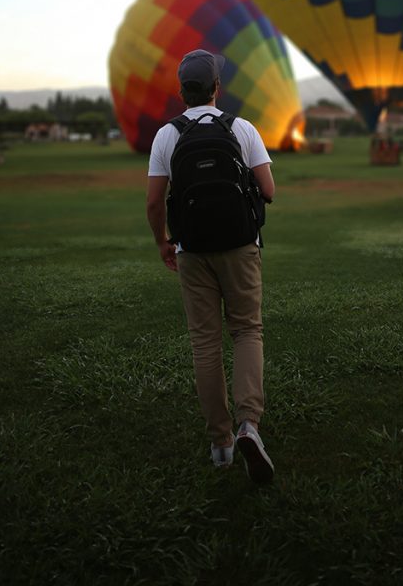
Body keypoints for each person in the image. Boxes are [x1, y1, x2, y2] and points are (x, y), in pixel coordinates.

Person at [146, 49, 276, 484]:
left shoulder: (166, 135)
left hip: (192, 250)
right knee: (247, 330)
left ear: (181, 91)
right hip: (240, 246)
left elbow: (153, 201)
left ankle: (221, 445)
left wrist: (163, 242)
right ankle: (248, 424)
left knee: (205, 343)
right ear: (217, 88)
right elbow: (269, 189)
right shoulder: (241, 128)